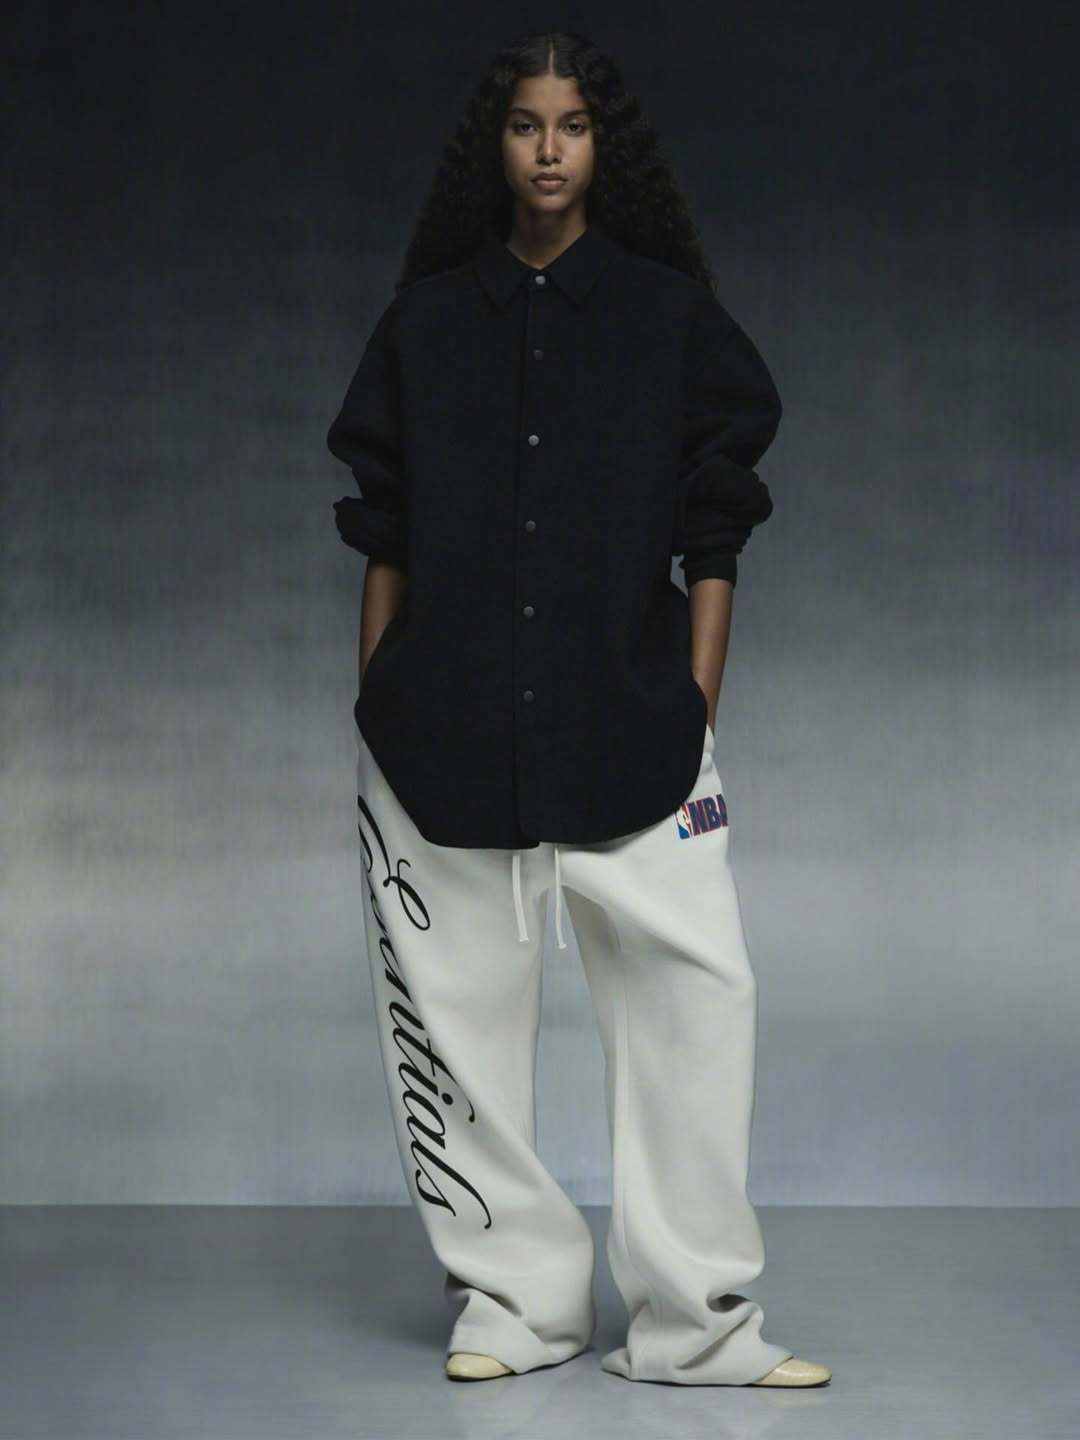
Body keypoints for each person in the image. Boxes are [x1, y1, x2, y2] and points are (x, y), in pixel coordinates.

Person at [325, 29, 831, 1389]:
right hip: (438, 738)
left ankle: (697, 1325)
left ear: (607, 147)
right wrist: (379, 700)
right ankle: (515, 1305)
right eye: (525, 125)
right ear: (492, 148)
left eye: (573, 126)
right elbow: (385, 530)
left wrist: (697, 701)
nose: (548, 150)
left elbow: (716, 527)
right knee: (455, 1029)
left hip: (635, 728)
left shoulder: (669, 319)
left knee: (697, 1007)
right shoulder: (426, 327)